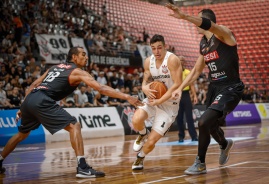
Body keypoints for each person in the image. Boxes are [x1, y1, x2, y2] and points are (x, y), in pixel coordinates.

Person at [0, 46, 143, 177]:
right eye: (83, 54)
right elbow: (101, 88)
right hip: (43, 100)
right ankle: (82, 167)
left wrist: (23, 106)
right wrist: (127, 96)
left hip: (30, 99)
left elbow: (33, 84)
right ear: (74, 57)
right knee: (75, 126)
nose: (86, 57)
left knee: (21, 135)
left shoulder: (55, 67)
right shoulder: (77, 72)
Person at [166, 4, 245, 175]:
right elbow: (196, 70)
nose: (196, 24)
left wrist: (185, 16)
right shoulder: (203, 43)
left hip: (230, 86)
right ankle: (224, 144)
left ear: (205, 21)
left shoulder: (223, 33)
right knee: (210, 126)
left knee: (202, 122)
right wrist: (180, 87)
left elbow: (212, 26)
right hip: (214, 87)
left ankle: (200, 163)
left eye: (199, 19)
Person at [131, 34, 182, 170]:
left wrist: (160, 99)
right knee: (136, 120)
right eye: (153, 48)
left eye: (159, 48)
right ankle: (142, 134)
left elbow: (177, 84)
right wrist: (144, 87)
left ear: (165, 46)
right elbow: (145, 79)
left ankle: (140, 157)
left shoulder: (172, 60)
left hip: (169, 105)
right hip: (154, 99)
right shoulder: (148, 61)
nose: (156, 51)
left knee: (151, 142)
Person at [177, 56, 198, 143]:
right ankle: (181, 136)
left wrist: (195, 96)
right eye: (179, 60)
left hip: (186, 95)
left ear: (184, 62)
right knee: (179, 118)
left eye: (182, 60)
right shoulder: (174, 72)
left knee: (189, 117)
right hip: (177, 95)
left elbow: (192, 85)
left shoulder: (188, 72)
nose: (181, 61)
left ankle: (193, 136)